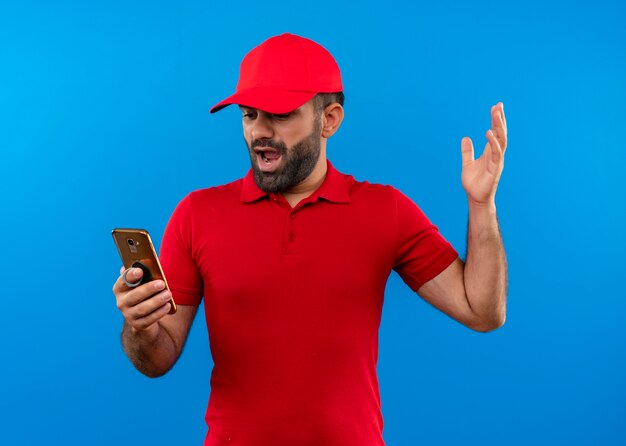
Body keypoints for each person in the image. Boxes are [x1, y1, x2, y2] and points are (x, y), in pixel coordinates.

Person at [112, 33, 508, 446]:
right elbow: (157, 358)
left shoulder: (385, 210)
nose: (259, 132)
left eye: (279, 115)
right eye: (249, 115)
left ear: (330, 120)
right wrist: (140, 326)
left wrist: (482, 204)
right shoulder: (197, 214)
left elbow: (481, 311)